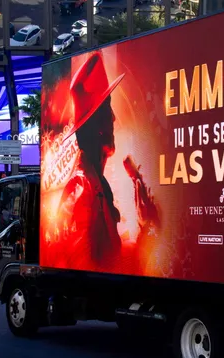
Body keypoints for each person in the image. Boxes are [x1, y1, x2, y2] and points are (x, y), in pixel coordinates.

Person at [55, 51, 160, 271]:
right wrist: (146, 230)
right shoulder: (82, 190)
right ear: (98, 126)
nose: (113, 117)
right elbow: (93, 270)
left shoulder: (95, 183)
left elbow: (110, 255)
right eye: (108, 108)